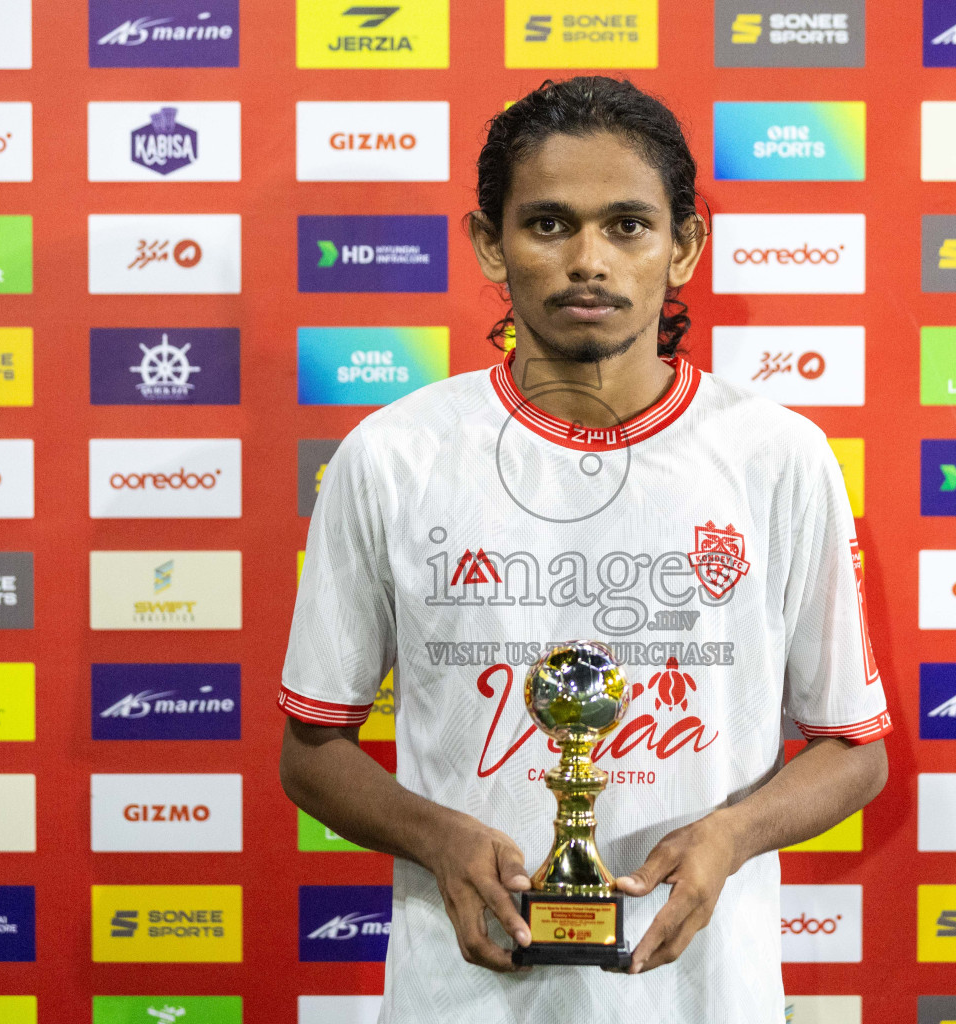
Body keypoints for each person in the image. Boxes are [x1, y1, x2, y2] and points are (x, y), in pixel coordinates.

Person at [278, 75, 890, 1024]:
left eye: (629, 226)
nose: (588, 260)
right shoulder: (394, 456)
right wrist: (437, 836)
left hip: (702, 995)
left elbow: (853, 749)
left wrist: (730, 836)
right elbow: (312, 749)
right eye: (551, 223)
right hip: (466, 996)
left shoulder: (777, 456)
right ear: (492, 242)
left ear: (683, 245)